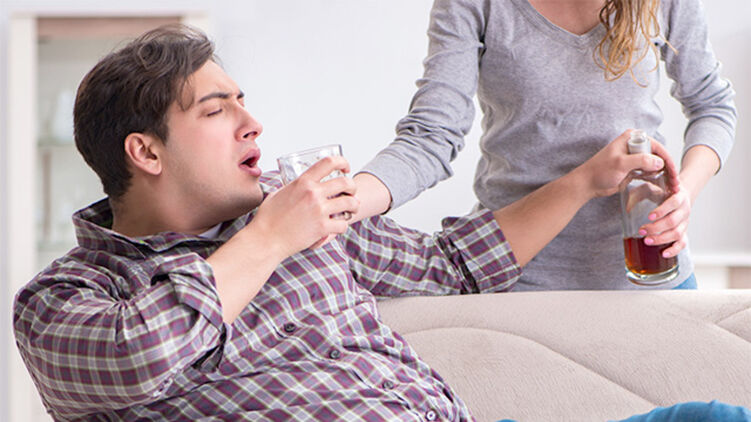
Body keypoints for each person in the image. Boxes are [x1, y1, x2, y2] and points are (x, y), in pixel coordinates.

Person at [13, 25, 747, 422]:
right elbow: (136, 355)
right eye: (216, 110)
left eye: (243, 100)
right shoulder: (66, 299)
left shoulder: (307, 223)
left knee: (714, 419)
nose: (252, 122)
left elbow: (456, 266)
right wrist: (269, 238)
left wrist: (583, 182)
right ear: (145, 152)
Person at [351, 0, 737, 291]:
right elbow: (431, 136)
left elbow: (712, 106)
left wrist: (683, 193)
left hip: (650, 268)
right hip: (518, 274)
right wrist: (344, 203)